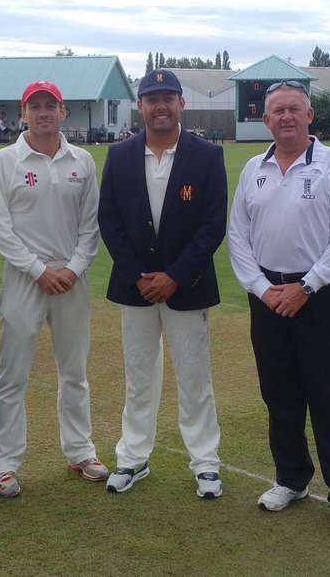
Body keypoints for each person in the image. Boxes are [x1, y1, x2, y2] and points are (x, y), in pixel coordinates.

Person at [226, 79, 330, 535]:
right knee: (280, 394)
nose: (286, 117)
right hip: (267, 297)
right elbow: (238, 236)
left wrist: (305, 287)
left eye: (294, 109)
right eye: (277, 111)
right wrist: (262, 289)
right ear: (265, 120)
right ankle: (292, 478)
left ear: (310, 116)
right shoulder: (254, 168)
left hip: (317, 297)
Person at [97, 70, 227, 499]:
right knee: (138, 377)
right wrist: (139, 275)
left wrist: (173, 276)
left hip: (186, 286)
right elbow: (110, 222)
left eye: (169, 97)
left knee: (194, 377)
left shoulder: (207, 156)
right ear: (141, 106)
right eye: (152, 98)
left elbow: (212, 227)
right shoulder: (119, 156)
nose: (161, 105)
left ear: (181, 104)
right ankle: (133, 458)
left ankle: (205, 463)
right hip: (135, 286)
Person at [0, 81, 108, 497]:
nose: (43, 113)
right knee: (12, 375)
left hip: (71, 281)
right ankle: (3, 463)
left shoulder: (83, 161)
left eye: (50, 106)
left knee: (74, 372)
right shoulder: (5, 161)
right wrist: (38, 270)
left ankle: (79, 451)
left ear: (63, 112)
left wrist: (72, 269)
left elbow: (91, 225)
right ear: (23, 113)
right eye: (34, 106)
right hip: (25, 279)